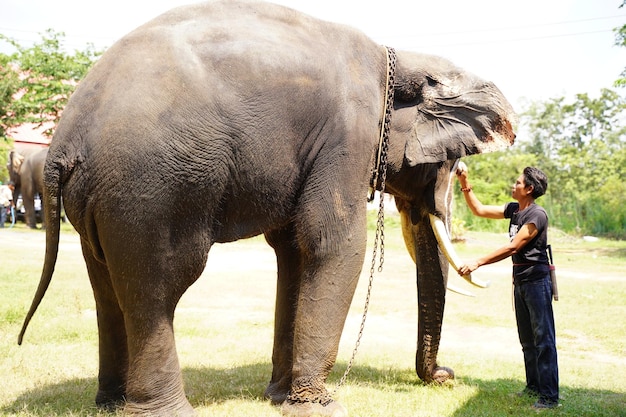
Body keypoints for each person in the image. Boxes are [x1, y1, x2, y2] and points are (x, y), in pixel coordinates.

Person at [455, 163, 559, 410]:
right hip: (521, 281)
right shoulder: (514, 210)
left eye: (518, 183)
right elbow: (479, 210)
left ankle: (549, 397)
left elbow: (514, 246)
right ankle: (533, 387)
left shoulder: (537, 215)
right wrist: (464, 181)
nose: (514, 185)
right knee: (527, 339)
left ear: (529, 189)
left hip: (537, 281)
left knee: (543, 339)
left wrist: (478, 261)